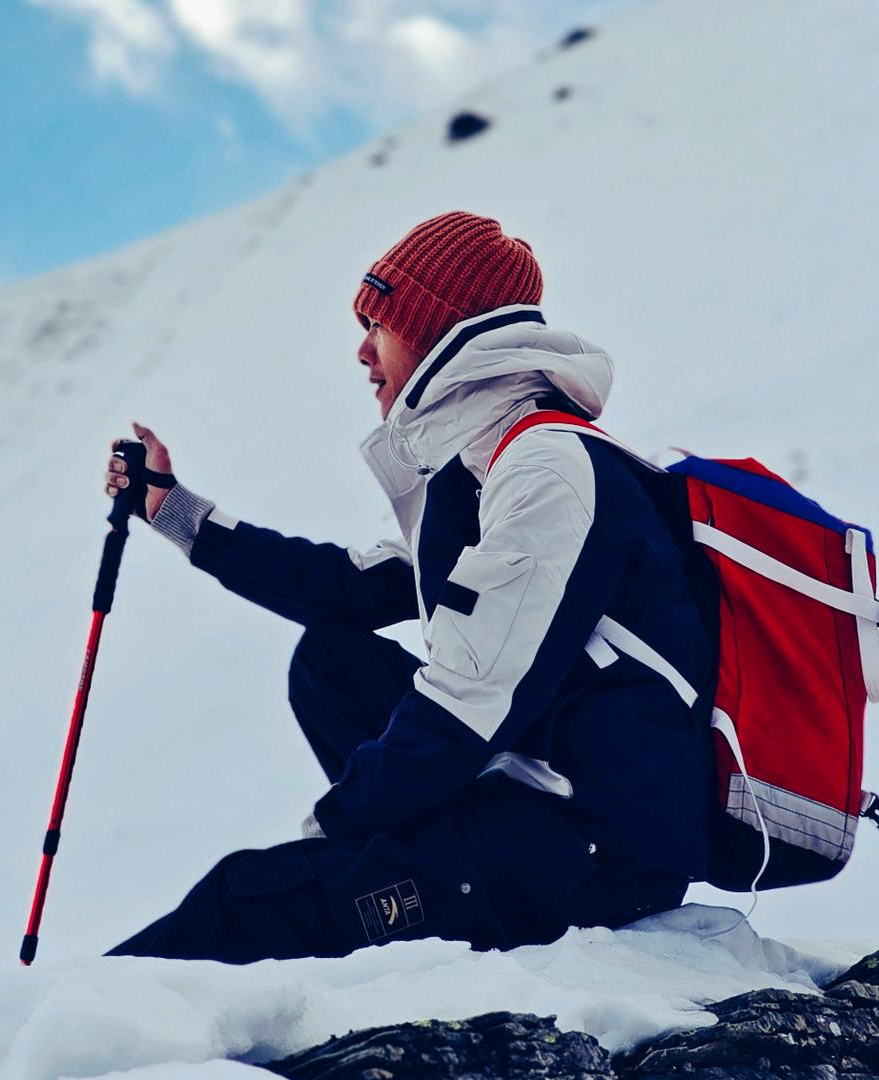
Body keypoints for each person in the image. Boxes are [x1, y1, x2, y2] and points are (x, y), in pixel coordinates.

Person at [102, 211, 715, 963]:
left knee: (247, 903)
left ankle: (62, 1023)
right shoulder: (492, 462)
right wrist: (173, 510)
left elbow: (465, 704)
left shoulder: (546, 473)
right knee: (332, 660)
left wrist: (333, 835)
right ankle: (410, 859)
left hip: (585, 853)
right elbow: (350, 588)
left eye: (379, 324)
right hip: (537, 796)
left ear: (437, 328)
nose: (362, 351)